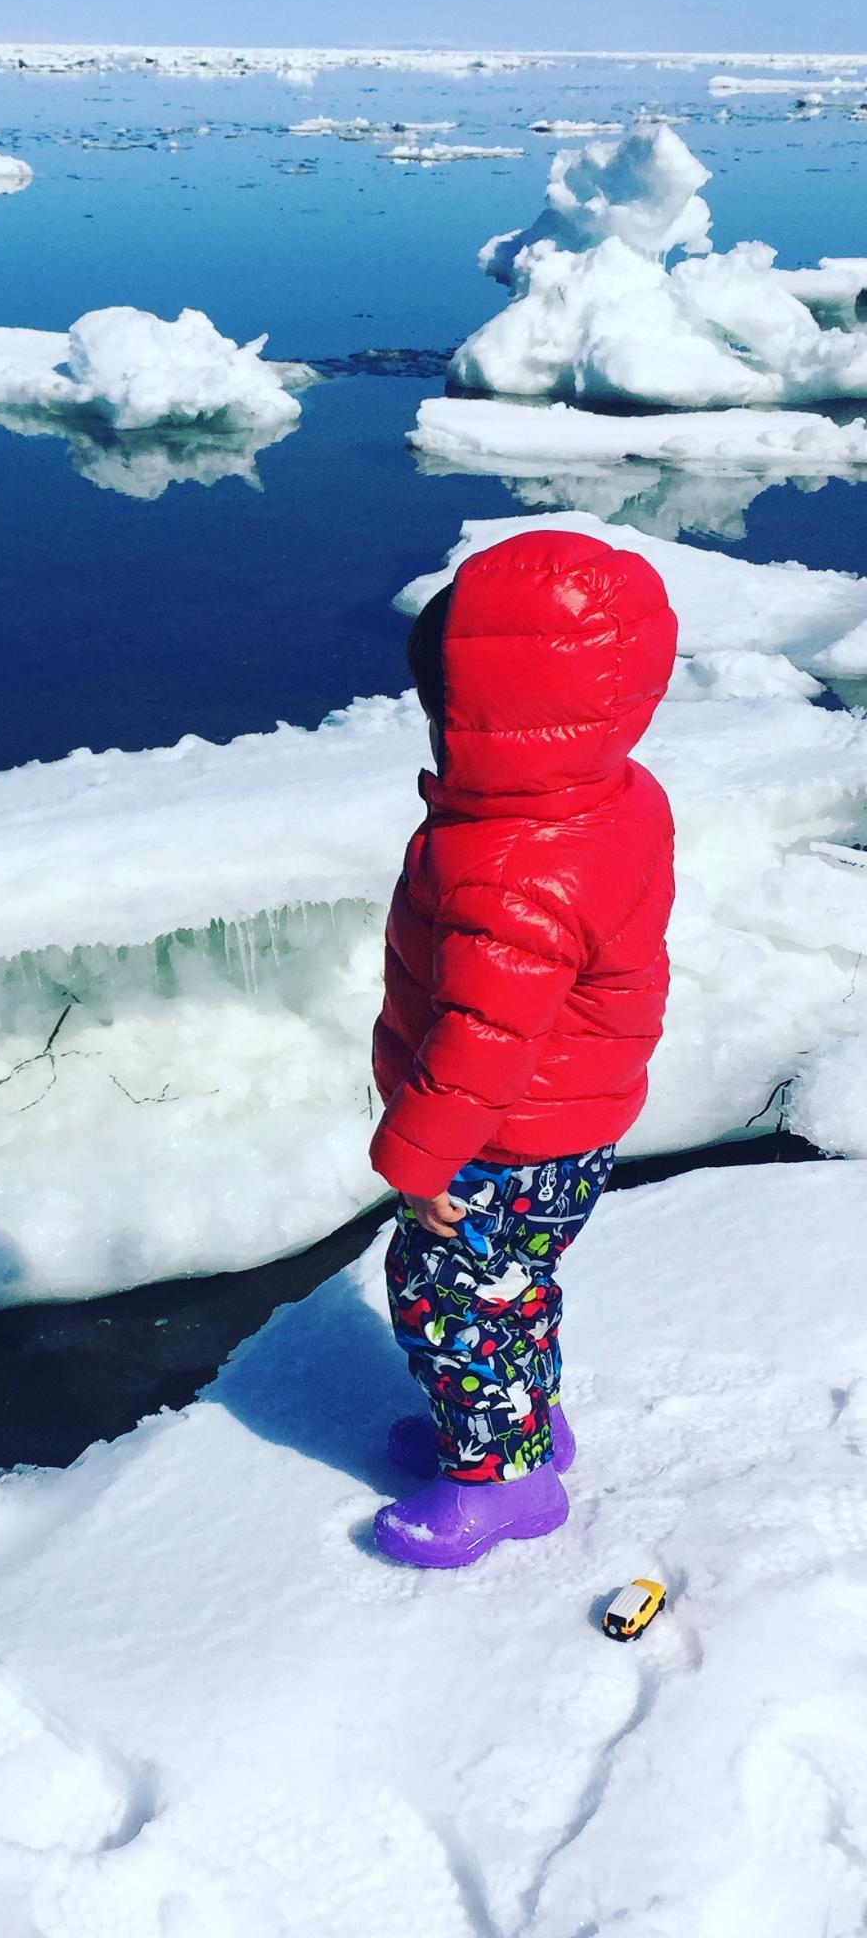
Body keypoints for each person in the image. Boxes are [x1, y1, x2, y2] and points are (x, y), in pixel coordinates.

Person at [368, 530, 677, 1570]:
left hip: (503, 1137)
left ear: (488, 719)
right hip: (567, 1117)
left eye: (442, 709)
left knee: (445, 1295)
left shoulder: (510, 873)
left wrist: (414, 1164)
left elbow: (481, 1042)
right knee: (511, 1284)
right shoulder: (607, 795)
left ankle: (500, 1479)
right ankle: (519, 1427)